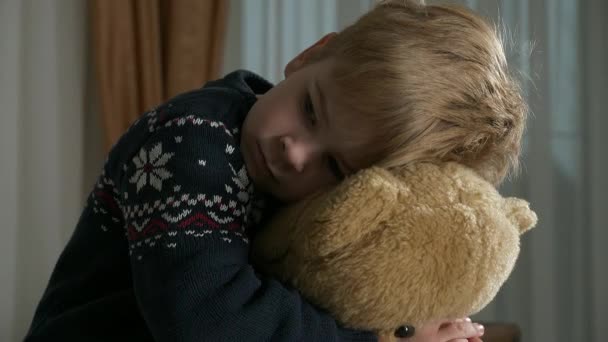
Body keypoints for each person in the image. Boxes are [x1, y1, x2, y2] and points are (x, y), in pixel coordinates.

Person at [25, 0, 526, 341]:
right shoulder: (189, 137)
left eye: (335, 165)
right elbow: (200, 316)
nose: (294, 151)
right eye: (310, 110)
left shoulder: (320, 203)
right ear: (311, 55)